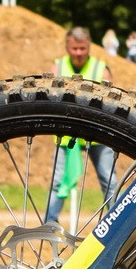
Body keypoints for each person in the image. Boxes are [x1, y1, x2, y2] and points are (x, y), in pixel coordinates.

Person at [44, 27, 115, 227]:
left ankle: (120, 224)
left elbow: (112, 104)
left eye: (82, 48)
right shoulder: (57, 67)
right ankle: (49, 224)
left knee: (109, 183)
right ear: (67, 46)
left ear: (89, 47)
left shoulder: (101, 69)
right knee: (59, 183)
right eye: (74, 48)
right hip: (67, 138)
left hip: (98, 136)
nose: (78, 53)